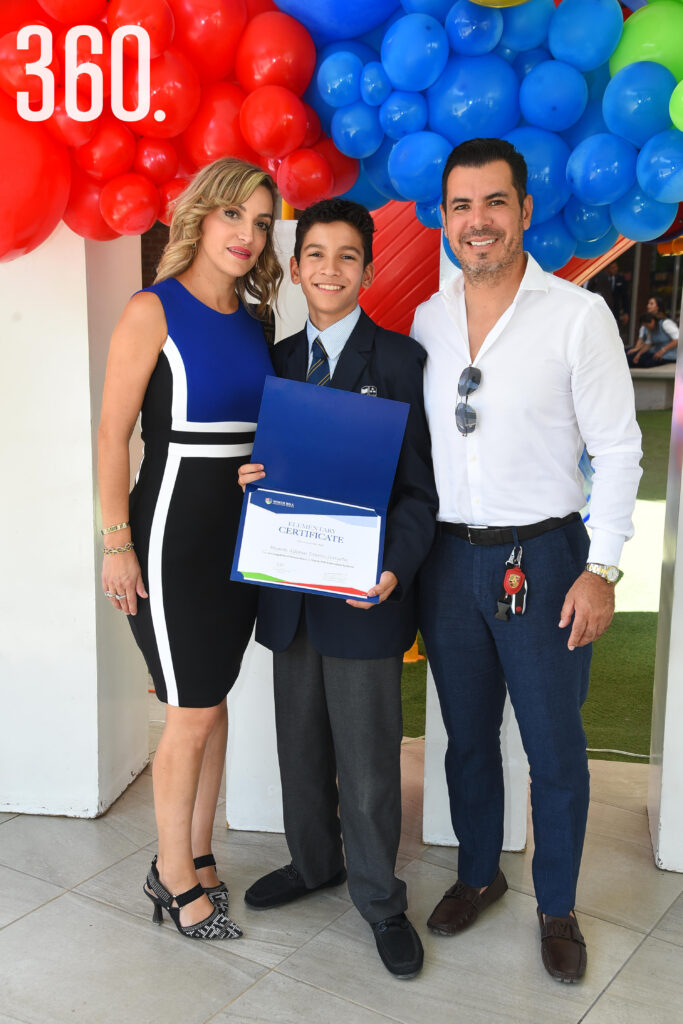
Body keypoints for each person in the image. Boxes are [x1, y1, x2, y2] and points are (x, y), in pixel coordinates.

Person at [411, 138, 642, 983]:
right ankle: (480, 874)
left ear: (523, 211)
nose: (478, 222)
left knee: (554, 749)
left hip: (545, 562)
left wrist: (603, 567)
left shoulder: (576, 317)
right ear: (444, 217)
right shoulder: (428, 319)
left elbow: (618, 450)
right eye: (462, 206)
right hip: (447, 562)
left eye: (494, 203)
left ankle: (555, 904)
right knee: (466, 738)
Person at [238, 199, 437, 979]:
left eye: (346, 256)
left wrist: (392, 568)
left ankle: (380, 899)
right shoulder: (275, 362)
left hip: (365, 596)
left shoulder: (398, 363)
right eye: (314, 255)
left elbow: (420, 494)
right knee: (299, 748)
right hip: (289, 595)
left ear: (368, 268)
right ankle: (312, 862)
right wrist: (248, 481)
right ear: (294, 267)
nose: (328, 269)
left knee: (366, 763)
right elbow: (259, 472)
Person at [98, 158, 282, 940]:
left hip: (240, 533)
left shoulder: (256, 320)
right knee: (191, 709)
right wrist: (116, 544)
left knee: (213, 701)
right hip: (171, 533)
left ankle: (199, 854)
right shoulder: (153, 309)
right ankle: (171, 878)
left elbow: (256, 428)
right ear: (200, 217)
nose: (248, 235)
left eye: (263, 222)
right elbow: (113, 434)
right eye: (234, 216)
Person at [627, 295, 679, 367]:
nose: (648, 306)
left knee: (646, 363)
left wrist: (662, 350)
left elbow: (678, 339)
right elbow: (648, 343)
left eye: (651, 304)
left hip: (669, 354)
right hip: (655, 352)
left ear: (653, 321)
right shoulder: (650, 327)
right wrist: (638, 354)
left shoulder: (665, 323)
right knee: (631, 358)